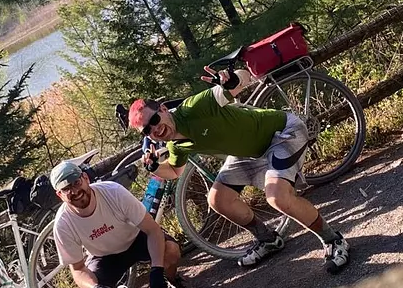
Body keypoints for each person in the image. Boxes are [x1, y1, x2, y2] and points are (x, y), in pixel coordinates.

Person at [127, 67, 350, 274]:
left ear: (164, 109)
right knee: (217, 199)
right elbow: (174, 172)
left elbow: (242, 79)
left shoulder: (194, 107)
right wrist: (155, 167)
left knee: (278, 198)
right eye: (147, 129)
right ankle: (267, 239)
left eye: (154, 119)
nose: (155, 128)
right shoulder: (175, 145)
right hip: (248, 154)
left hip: (281, 133)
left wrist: (232, 78)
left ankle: (333, 239)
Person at [49, 159, 198, 288]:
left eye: (76, 183)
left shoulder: (113, 192)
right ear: (60, 194)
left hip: (137, 238)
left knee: (171, 252)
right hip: (105, 256)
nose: (75, 191)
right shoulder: (63, 223)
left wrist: (157, 269)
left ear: (85, 178)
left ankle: (173, 280)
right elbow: (78, 269)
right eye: (67, 189)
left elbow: (152, 230)